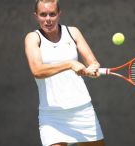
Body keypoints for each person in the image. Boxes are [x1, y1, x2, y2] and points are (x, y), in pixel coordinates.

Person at [24, 0, 105, 146]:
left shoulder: (73, 32)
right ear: (36, 16)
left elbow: (92, 62)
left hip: (82, 110)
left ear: (59, 14)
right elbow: (37, 70)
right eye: (43, 15)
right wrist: (69, 64)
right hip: (52, 115)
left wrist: (93, 68)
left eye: (52, 14)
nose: (48, 19)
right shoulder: (32, 38)